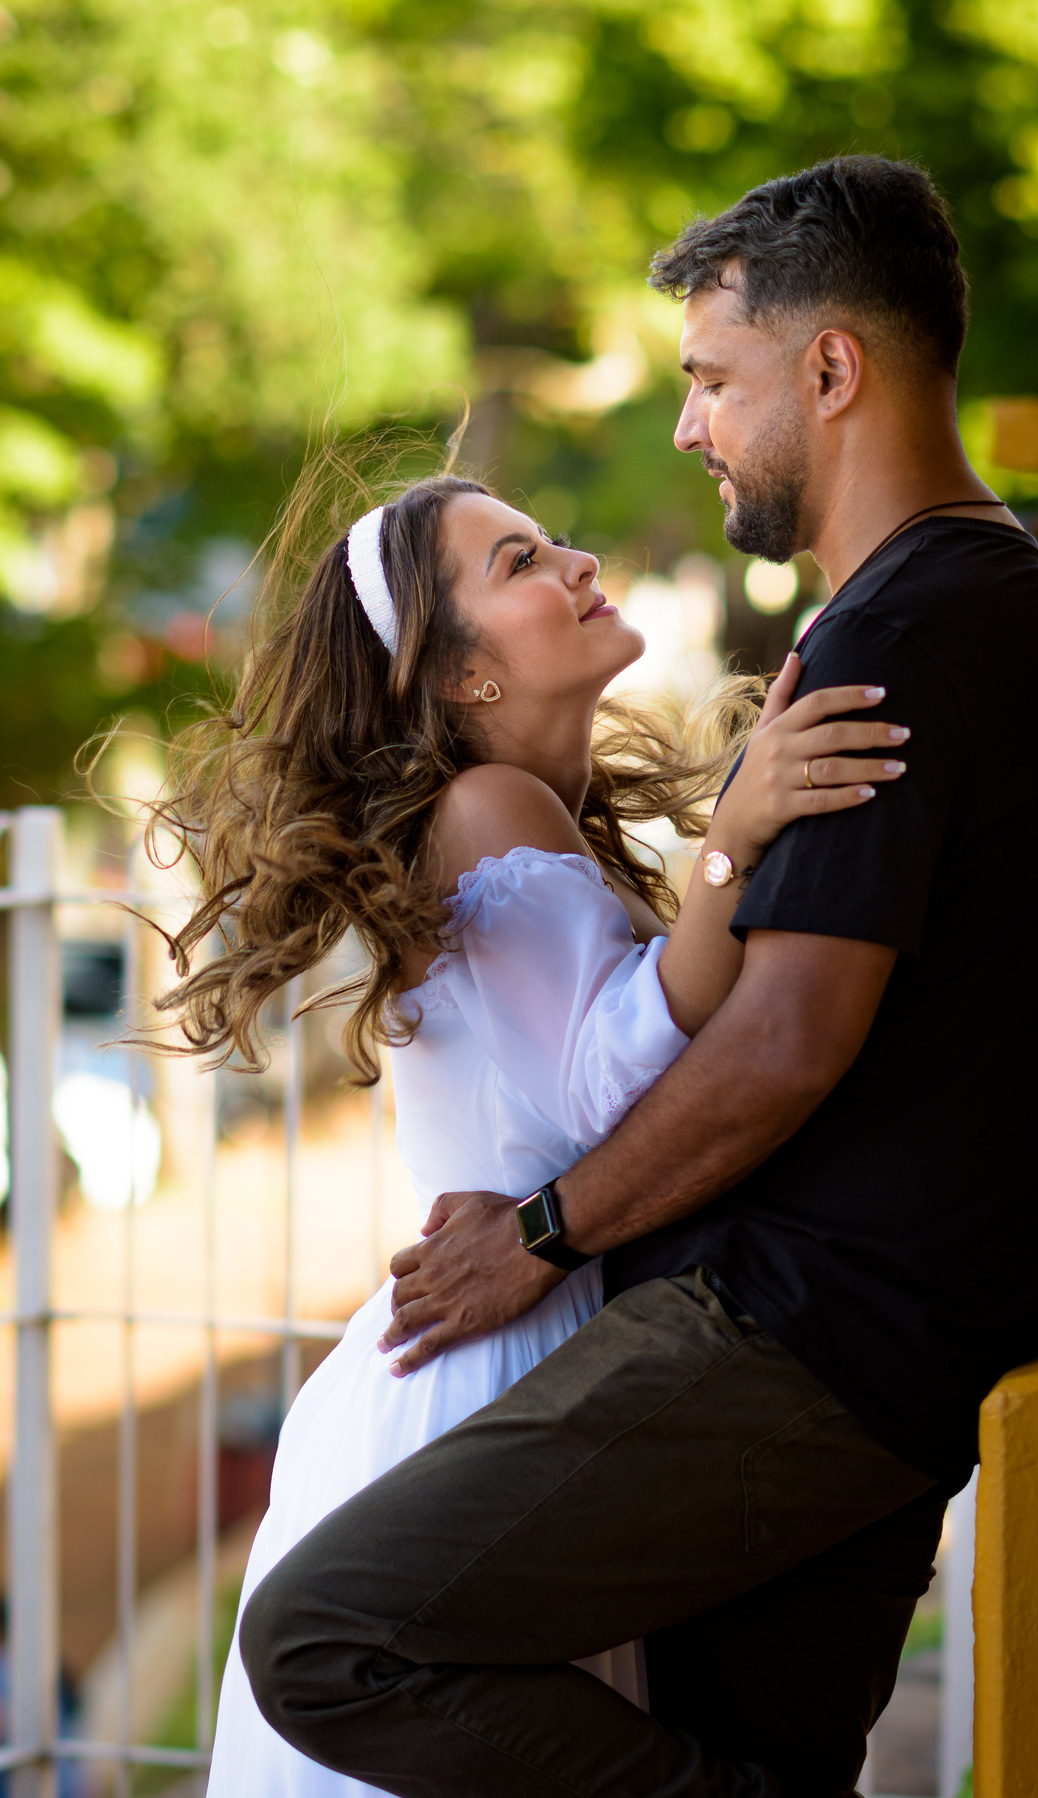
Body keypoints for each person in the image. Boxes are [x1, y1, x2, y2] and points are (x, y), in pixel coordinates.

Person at [238, 156, 1038, 1798]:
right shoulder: (940, 614)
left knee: (325, 1637)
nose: (687, 427)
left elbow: (780, 1043)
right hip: (819, 1330)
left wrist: (544, 1234)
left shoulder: (905, 638)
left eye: (712, 379)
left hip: (805, 1336)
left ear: (831, 370)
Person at [168, 452, 907, 1792]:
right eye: (519, 563)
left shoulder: (527, 818)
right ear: (465, 678)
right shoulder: (486, 806)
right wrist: (734, 846)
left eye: (553, 538)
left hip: (505, 1343)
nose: (576, 561)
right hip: (488, 1363)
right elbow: (618, 1081)